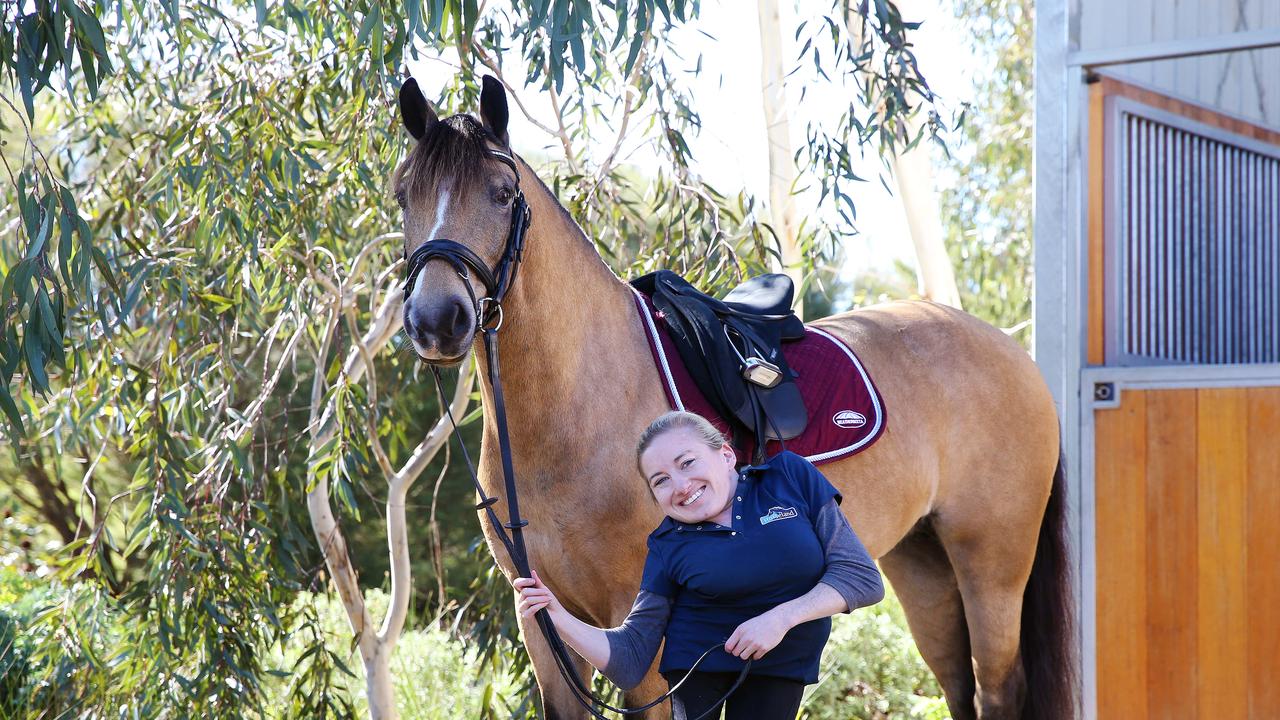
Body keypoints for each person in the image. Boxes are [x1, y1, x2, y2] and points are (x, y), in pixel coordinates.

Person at [513, 410, 884, 720]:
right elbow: (629, 659)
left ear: (725, 455)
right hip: (698, 675)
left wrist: (781, 618)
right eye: (661, 481)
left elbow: (861, 577)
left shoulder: (788, 477)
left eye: (687, 462)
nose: (681, 485)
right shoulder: (667, 543)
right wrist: (556, 616)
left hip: (782, 667)